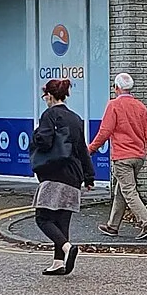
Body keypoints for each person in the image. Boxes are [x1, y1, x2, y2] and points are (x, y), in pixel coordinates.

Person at [29, 77, 92, 275]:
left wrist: (36, 133)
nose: (44, 99)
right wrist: (89, 176)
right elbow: (82, 149)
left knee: (43, 218)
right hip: (74, 175)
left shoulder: (49, 115)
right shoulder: (75, 118)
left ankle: (67, 248)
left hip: (55, 173)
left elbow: (45, 142)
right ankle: (58, 263)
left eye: (45, 96)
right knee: (62, 220)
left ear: (49, 95)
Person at [88, 71, 147, 237]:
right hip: (138, 157)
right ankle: (113, 226)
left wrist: (91, 149)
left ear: (116, 88)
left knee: (129, 191)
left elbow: (105, 131)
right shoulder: (140, 107)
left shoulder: (113, 105)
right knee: (122, 190)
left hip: (122, 156)